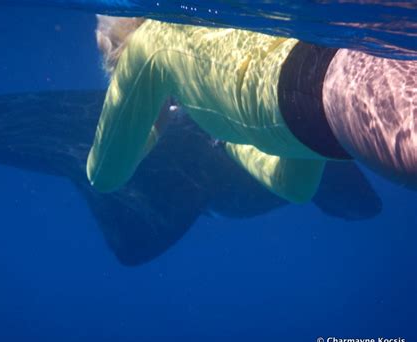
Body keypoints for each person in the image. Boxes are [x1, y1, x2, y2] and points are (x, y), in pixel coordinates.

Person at [89, 16, 416, 203]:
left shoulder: (150, 42)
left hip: (317, 83)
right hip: (341, 55)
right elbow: (296, 186)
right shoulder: (224, 19)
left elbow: (104, 174)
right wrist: (231, 145)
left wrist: (153, 124)